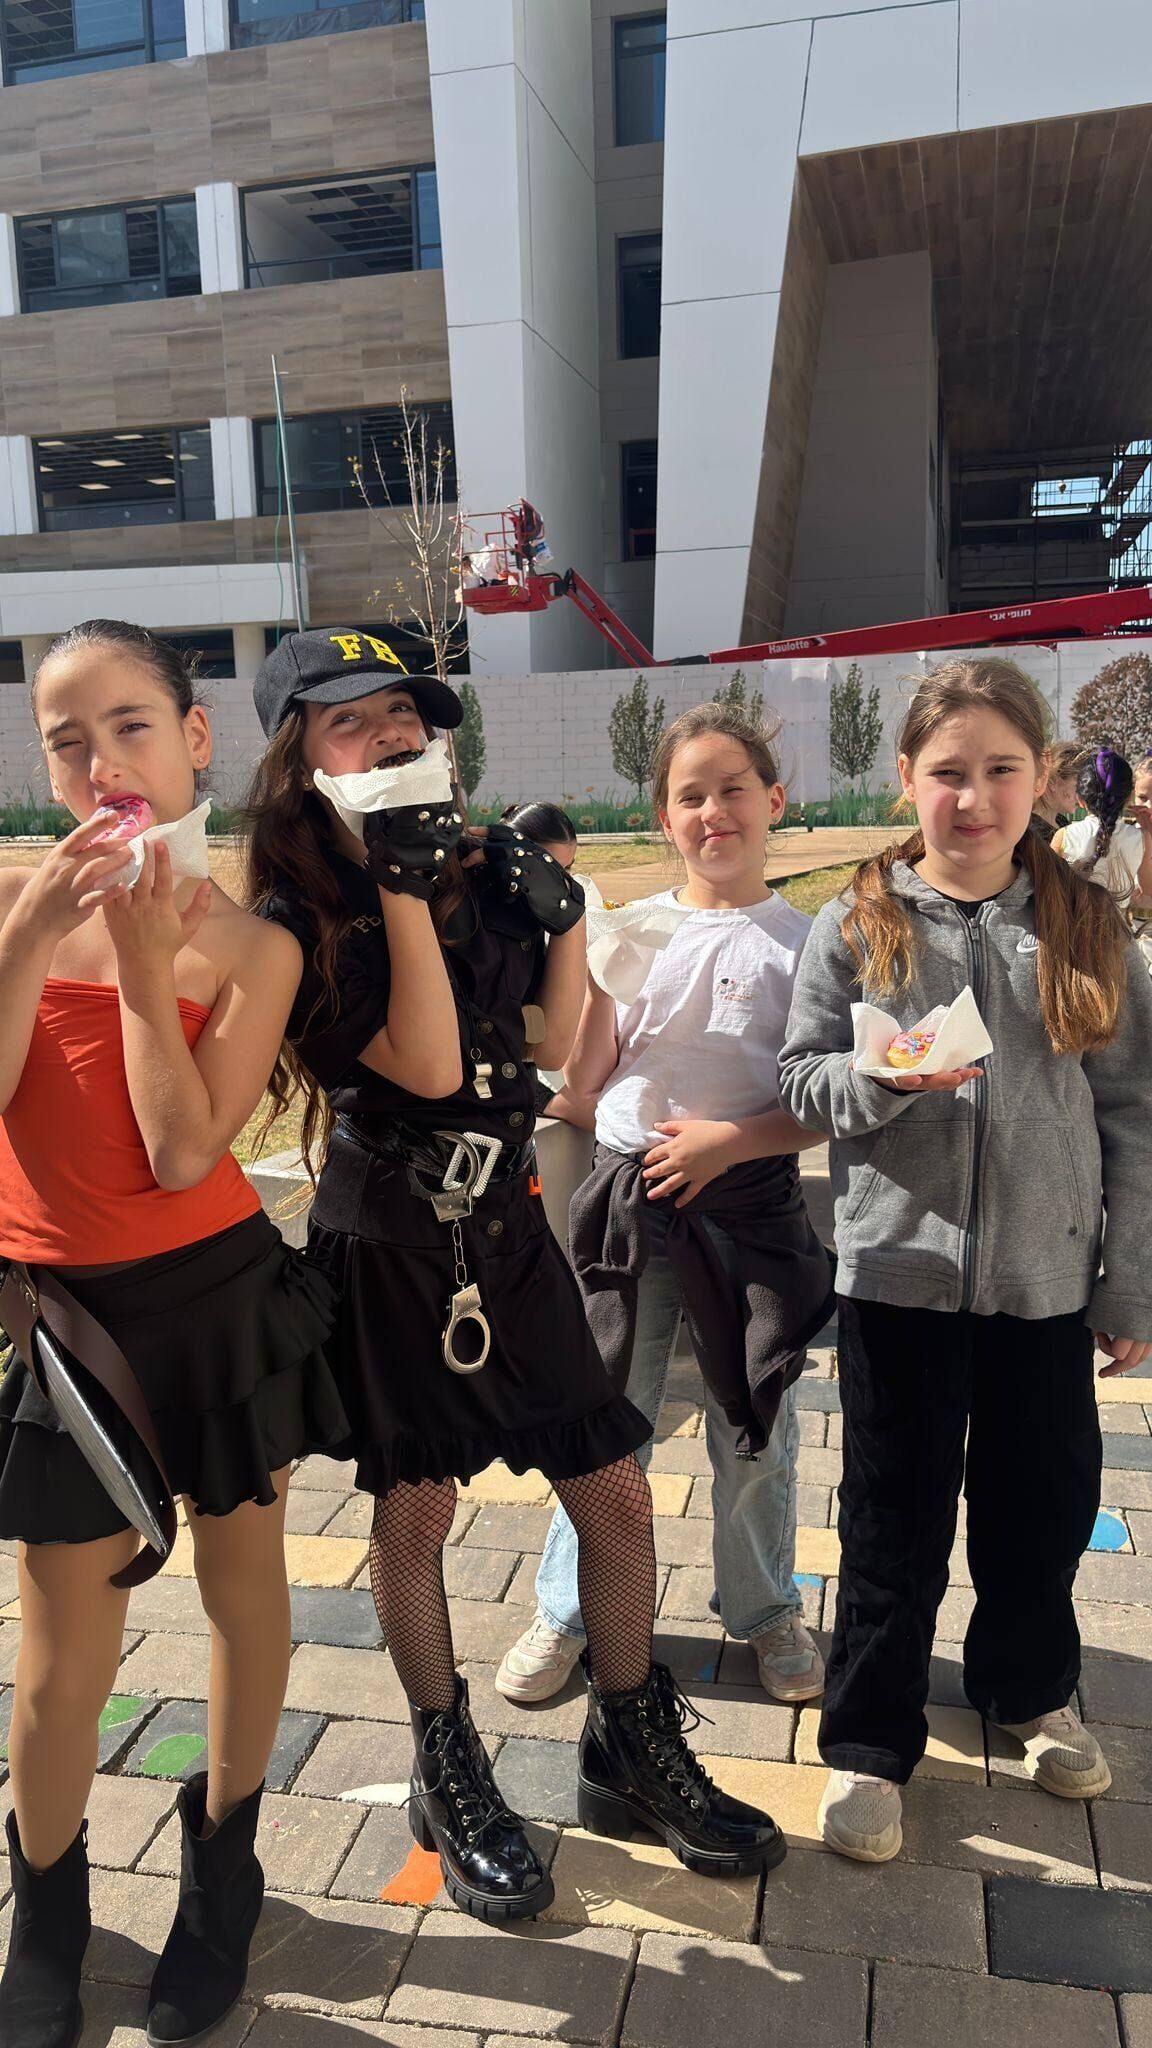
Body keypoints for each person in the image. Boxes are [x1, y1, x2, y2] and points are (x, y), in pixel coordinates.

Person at [244, 631, 787, 1924]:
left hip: (507, 1229)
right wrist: (396, 887)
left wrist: (567, 915)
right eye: (350, 720)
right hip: (392, 1243)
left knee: (615, 1492)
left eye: (404, 714)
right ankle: (447, 1766)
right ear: (300, 760)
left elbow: (545, 1045)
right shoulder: (296, 918)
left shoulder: (468, 864)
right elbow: (430, 1068)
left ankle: (627, 1745)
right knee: (416, 1511)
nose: (390, 734)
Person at [0, 621, 347, 2048]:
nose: (103, 764)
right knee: (58, 1653)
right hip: (68, 1324)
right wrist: (33, 935)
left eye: (131, 726)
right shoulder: (12, 905)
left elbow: (183, 1146)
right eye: (68, 740)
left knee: (242, 1592)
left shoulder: (256, 945)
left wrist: (148, 969)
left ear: (194, 740)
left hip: (215, 1308)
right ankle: (47, 1907)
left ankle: (225, 1866)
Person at [777, 657, 1152, 1865]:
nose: (974, 798)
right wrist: (883, 1079)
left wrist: (1129, 1281)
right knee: (891, 1519)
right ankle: (870, 1736)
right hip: (898, 1281)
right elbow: (802, 1081)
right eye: (948, 771)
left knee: (1042, 1506)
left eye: (1002, 769)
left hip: (1045, 1282)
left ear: (1043, 777)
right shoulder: (858, 919)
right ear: (907, 777)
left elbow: (1134, 1112)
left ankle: (1028, 1687)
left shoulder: (1087, 923)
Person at [498, 703, 834, 1710]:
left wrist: (730, 1141)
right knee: (606, 1414)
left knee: (755, 1421)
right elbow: (587, 1081)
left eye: (734, 789)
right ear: (664, 817)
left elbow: (821, 1102)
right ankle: (569, 1607)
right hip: (630, 1205)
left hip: (752, 1210)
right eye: (691, 795)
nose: (714, 810)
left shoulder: (808, 944)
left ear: (774, 801)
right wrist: (597, 981)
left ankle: (766, 1606)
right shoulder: (634, 931)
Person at [1053, 748, 1152, 911]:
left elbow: (1047, 892)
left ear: (1080, 797)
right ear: (1128, 797)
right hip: (1117, 925)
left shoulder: (1064, 836)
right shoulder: (1142, 838)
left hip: (1072, 924)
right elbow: (1147, 893)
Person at [1030, 737, 1083, 842]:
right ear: (1052, 781)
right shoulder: (1032, 834)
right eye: (1079, 785)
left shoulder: (1061, 823)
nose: (1084, 793)